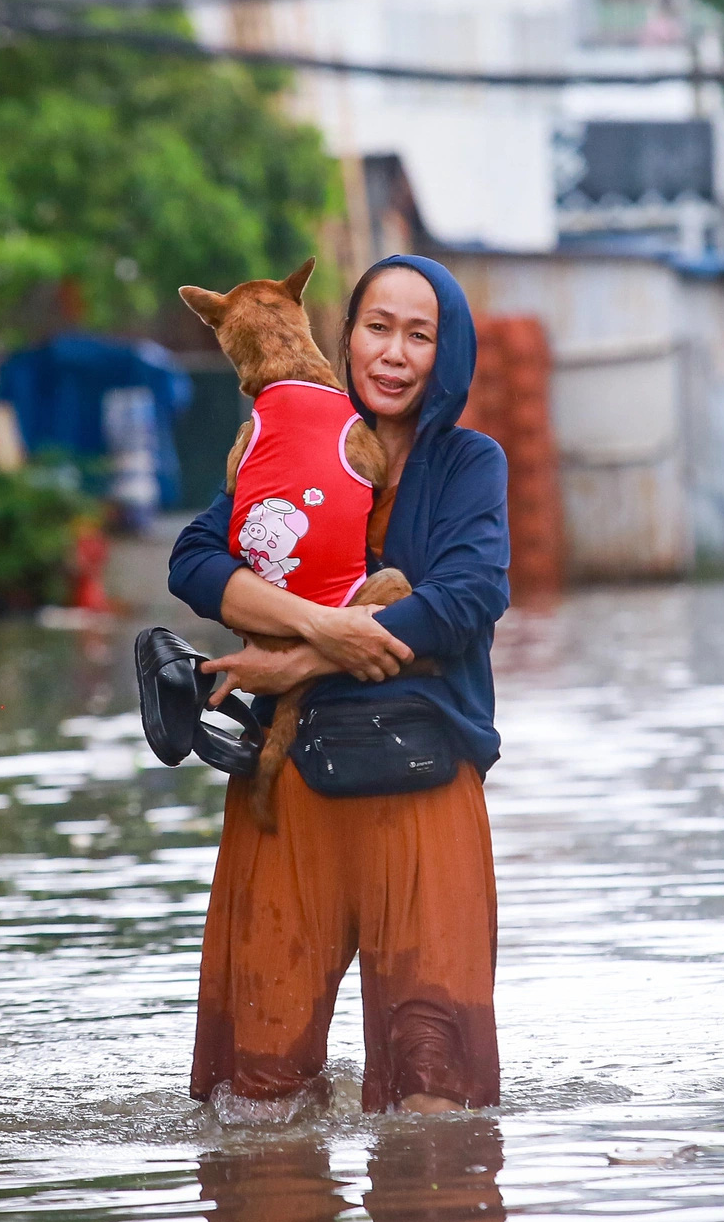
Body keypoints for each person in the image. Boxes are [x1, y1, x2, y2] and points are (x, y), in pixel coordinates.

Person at [168, 255, 511, 1115]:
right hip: (284, 795)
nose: (393, 353)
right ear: (343, 334)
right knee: (259, 1098)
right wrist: (324, 627)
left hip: (424, 785)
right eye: (376, 327)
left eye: (419, 334)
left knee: (438, 1100)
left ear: (449, 352)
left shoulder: (470, 464)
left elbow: (466, 600)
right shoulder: (286, 439)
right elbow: (195, 560)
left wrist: (298, 661)